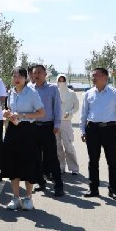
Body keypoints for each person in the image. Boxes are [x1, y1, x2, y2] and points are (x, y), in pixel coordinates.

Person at [2, 67, 45, 211]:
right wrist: (7, 113)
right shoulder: (11, 92)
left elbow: (41, 113)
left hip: (28, 131)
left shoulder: (32, 93)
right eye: (14, 76)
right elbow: (10, 110)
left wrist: (23, 115)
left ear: (25, 78)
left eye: (20, 76)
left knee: (29, 164)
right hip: (13, 130)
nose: (16, 79)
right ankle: (16, 198)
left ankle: (28, 198)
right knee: (12, 163)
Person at [80, 67, 116, 200]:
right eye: (92, 76)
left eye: (97, 75)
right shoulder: (88, 94)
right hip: (92, 129)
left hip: (109, 129)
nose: (93, 78)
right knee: (93, 161)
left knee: (112, 161)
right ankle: (93, 189)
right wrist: (82, 130)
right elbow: (83, 114)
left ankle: (113, 190)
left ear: (105, 77)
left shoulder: (115, 92)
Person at [31, 65, 65, 197]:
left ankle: (59, 186)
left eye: (39, 72)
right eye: (34, 73)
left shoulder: (52, 88)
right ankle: (41, 182)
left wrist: (57, 124)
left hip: (48, 127)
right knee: (36, 157)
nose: (36, 75)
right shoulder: (29, 89)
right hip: (33, 127)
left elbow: (57, 107)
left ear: (45, 74)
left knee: (52, 157)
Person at [56, 74, 80, 174]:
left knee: (68, 145)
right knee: (57, 146)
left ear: (66, 81)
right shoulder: (54, 92)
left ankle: (74, 168)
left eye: (63, 80)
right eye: (59, 80)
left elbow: (76, 107)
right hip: (56, 122)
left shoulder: (71, 93)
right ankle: (61, 167)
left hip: (66, 122)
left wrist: (70, 112)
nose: (61, 82)